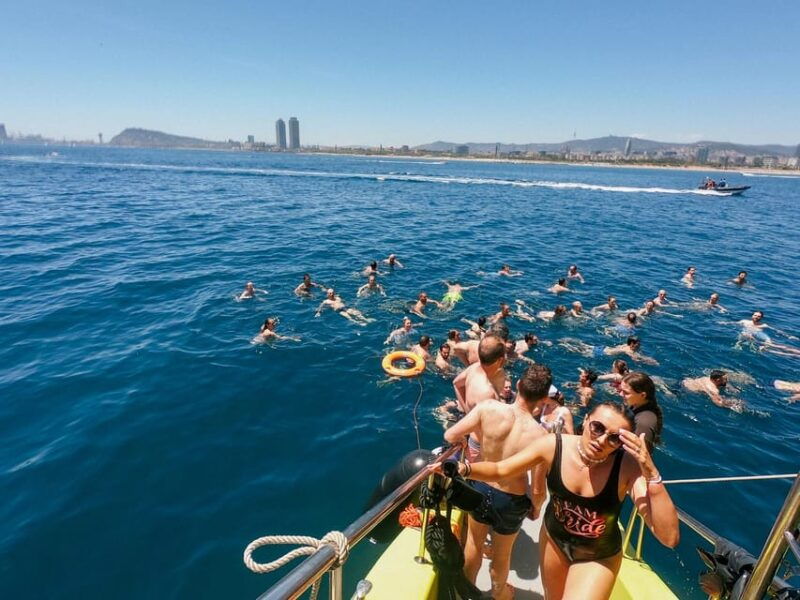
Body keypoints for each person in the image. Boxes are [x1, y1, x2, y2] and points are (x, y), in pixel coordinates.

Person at [441, 402, 679, 600]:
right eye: (597, 427)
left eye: (614, 438)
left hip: (598, 554)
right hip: (554, 542)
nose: (602, 440)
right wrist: (464, 468)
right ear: (585, 421)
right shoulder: (555, 445)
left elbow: (668, 537)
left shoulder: (626, 466)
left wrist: (650, 471)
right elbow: (502, 469)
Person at [444, 365, 553, 600]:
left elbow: (450, 435)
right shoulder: (542, 437)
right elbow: (537, 487)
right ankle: (500, 595)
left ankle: (467, 593)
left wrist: (464, 444)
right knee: (502, 557)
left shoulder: (487, 409)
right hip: (512, 500)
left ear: (517, 386)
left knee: (473, 543)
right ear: (544, 400)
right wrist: (535, 508)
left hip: (481, 485)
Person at [451, 334, 507, 460]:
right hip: (481, 445)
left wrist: (468, 412)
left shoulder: (473, 368)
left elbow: (456, 383)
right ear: (500, 360)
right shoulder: (487, 393)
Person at [619, 372, 663, 450]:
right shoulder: (634, 404)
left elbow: (635, 456)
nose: (621, 394)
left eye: (626, 392)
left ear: (642, 395)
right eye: (621, 390)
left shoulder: (644, 423)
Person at [733, 311, 800, 356]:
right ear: (752, 315)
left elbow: (777, 331)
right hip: (748, 335)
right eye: (755, 315)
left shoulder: (764, 325)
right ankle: (739, 344)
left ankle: (795, 352)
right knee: (744, 335)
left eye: (758, 316)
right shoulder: (744, 321)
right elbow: (732, 323)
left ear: (761, 318)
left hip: (758, 334)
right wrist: (722, 323)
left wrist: (789, 336)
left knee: (772, 343)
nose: (756, 317)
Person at [559, 337, 658, 365]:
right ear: (632, 344)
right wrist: (649, 361)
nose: (639, 345)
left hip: (604, 348)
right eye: (638, 344)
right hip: (603, 352)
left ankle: (568, 340)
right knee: (580, 352)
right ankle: (565, 345)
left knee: (585, 346)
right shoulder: (629, 351)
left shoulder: (625, 345)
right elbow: (636, 359)